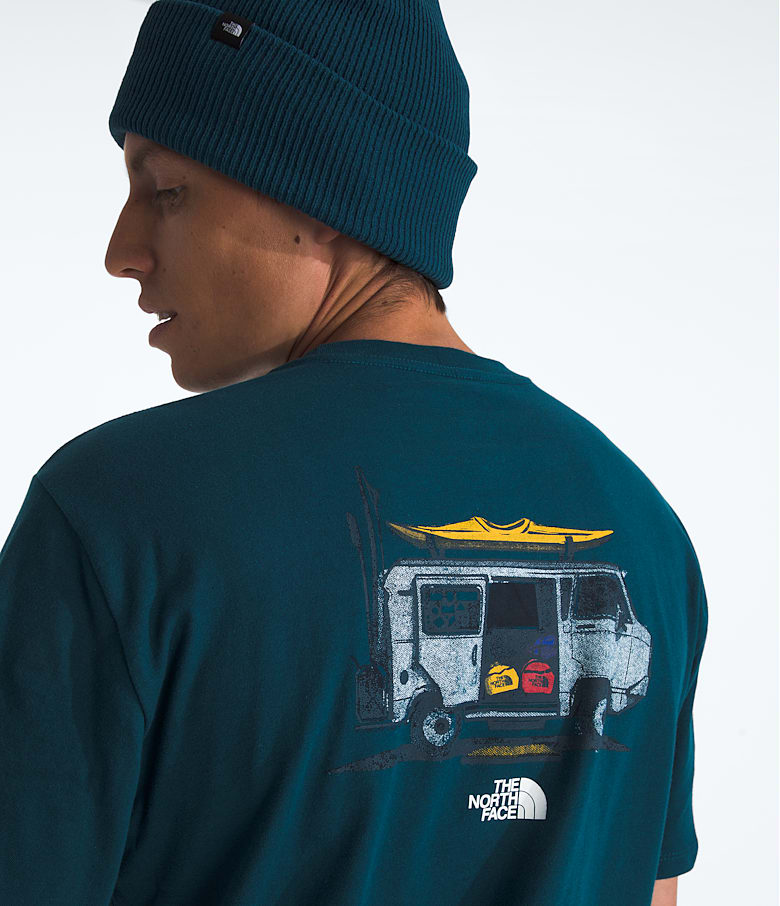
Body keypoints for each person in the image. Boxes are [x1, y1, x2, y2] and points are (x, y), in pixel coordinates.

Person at [0, 2, 707, 905]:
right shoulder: (647, 530)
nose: (121, 251)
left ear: (323, 191)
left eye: (166, 190)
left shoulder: (116, 514)